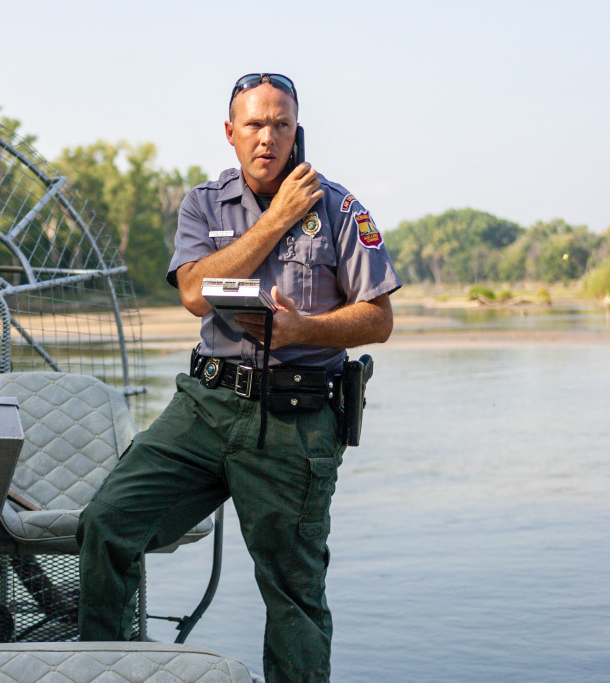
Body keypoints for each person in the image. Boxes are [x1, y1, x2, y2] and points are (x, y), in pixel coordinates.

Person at [76, 73, 401, 681]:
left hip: (296, 421)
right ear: (230, 133)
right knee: (106, 525)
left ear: (297, 133)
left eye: (281, 125)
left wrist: (303, 329)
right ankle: (106, 669)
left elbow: (379, 320)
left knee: (293, 597)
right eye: (254, 124)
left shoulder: (339, 207)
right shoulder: (203, 203)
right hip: (204, 408)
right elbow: (196, 293)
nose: (267, 137)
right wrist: (277, 219)